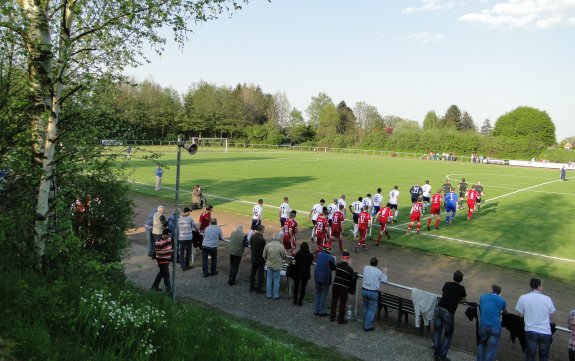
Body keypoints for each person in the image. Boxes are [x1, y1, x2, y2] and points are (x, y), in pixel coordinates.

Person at [515, 278, 556, 361]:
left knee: (530, 355)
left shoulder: (523, 297)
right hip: (545, 331)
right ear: (539, 286)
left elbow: (520, 315)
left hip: (530, 331)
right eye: (541, 285)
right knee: (544, 357)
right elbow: (551, 315)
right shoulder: (547, 298)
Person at [433, 270, 467, 361]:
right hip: (448, 313)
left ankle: (436, 354)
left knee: (437, 332)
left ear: (453, 277)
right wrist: (456, 299)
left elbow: (444, 293)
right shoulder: (461, 288)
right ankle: (441, 356)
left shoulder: (447, 284)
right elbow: (464, 300)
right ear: (461, 279)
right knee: (448, 335)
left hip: (438, 308)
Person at [477, 284, 508, 361]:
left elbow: (483, 305)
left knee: (482, 344)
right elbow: (506, 311)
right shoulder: (502, 300)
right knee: (492, 348)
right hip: (495, 327)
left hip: (483, 325)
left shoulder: (483, 296)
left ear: (492, 290)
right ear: (499, 292)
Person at [361, 257, 388, 331]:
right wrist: (384, 272)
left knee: (365, 307)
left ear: (370, 262)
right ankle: (367, 325)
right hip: (373, 292)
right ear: (377, 263)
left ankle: (365, 322)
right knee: (371, 309)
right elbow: (385, 280)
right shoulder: (378, 271)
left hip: (364, 290)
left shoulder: (365, 268)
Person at [330, 251, 355, 324]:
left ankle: (332, 316)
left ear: (342, 258)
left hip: (336, 285)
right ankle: (340, 319)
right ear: (348, 259)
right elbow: (351, 277)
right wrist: (350, 264)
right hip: (344, 288)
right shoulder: (349, 269)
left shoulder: (338, 265)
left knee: (334, 300)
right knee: (342, 303)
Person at [262, 232, 287, 300]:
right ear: (278, 239)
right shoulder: (280, 246)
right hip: (277, 266)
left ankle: (268, 294)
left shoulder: (268, 245)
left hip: (269, 265)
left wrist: (267, 260)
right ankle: (275, 295)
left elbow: (264, 256)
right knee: (276, 280)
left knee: (269, 279)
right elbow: (284, 255)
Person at [313, 247, 336, 316]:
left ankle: (316, 309)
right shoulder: (331, 257)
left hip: (316, 276)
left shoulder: (319, 254)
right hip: (324, 277)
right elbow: (334, 267)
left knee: (317, 293)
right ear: (328, 250)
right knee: (324, 294)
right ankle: (321, 311)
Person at [150, 229, 173, 294]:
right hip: (161, 260)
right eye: (168, 235)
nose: (169, 236)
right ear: (164, 234)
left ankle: (154, 287)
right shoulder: (158, 242)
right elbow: (158, 252)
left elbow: (170, 246)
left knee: (161, 273)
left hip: (167, 259)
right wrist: (168, 251)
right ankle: (169, 290)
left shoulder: (169, 239)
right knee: (166, 274)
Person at [292, 241, 314, 306]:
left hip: (297, 272)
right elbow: (312, 260)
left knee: (296, 286)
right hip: (305, 273)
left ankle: (295, 300)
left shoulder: (298, 253)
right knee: (303, 287)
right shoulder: (310, 255)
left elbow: (294, 261)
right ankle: (300, 301)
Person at [249, 224, 267, 293]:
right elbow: (265, 250)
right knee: (260, 274)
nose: (263, 232)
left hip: (253, 258)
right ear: (261, 230)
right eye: (263, 230)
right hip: (260, 259)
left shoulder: (252, 237)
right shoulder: (262, 239)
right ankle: (259, 288)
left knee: (253, 273)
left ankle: (251, 287)